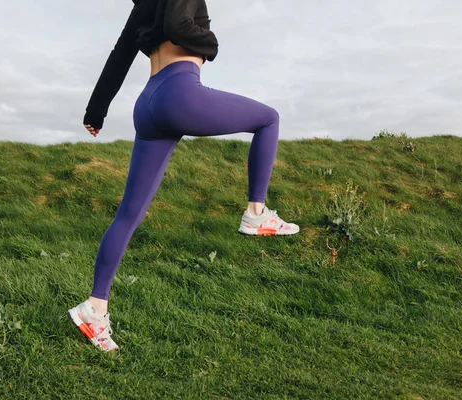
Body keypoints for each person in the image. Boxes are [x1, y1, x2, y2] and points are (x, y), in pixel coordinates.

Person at [68, 0, 300, 352]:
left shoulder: (144, 4)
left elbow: (120, 55)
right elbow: (180, 27)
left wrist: (96, 111)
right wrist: (211, 42)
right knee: (268, 118)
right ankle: (256, 213)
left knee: (128, 215)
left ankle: (95, 308)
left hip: (148, 104)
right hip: (179, 92)